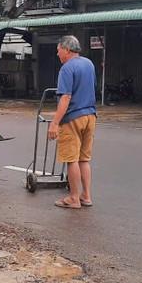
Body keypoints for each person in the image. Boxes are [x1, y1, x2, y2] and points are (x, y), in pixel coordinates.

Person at [47, 35, 97, 209]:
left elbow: (66, 97)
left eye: (59, 50)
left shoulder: (67, 68)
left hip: (73, 117)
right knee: (84, 159)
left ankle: (74, 198)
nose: (58, 54)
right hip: (90, 115)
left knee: (71, 159)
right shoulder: (89, 64)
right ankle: (86, 196)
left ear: (67, 50)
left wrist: (54, 123)